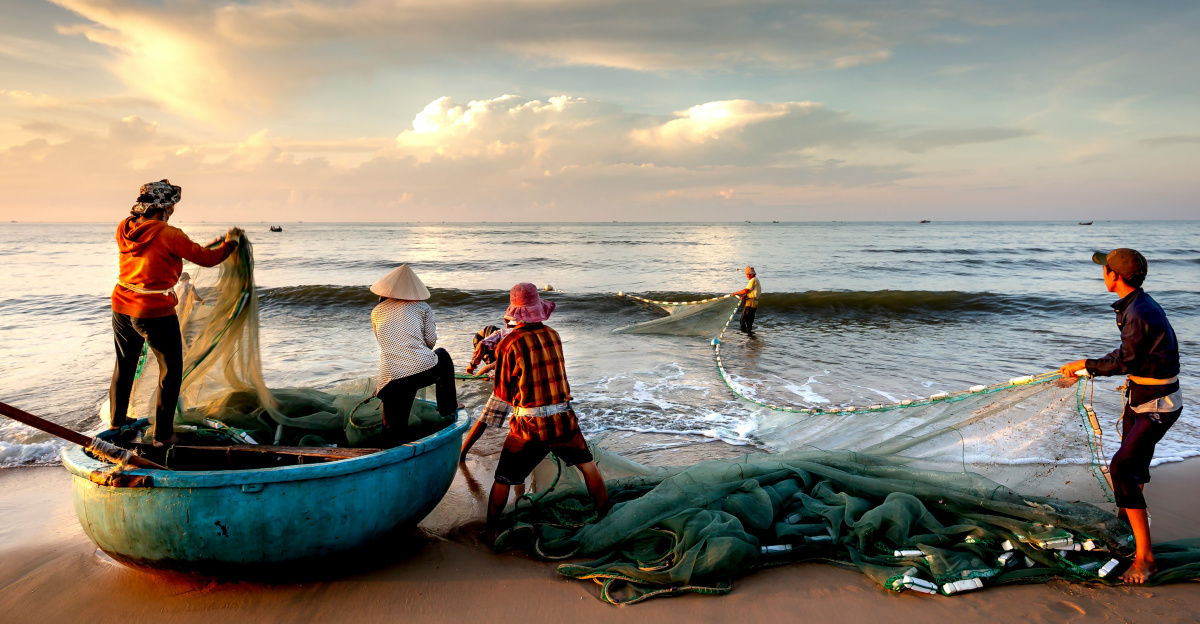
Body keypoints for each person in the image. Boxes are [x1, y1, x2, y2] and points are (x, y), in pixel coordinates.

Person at [1058, 248, 1181, 584]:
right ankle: (1126, 531)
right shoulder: (1134, 304)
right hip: (1139, 397)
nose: (1103, 273)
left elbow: (1126, 359)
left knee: (1122, 467)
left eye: (1106, 268)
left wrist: (1087, 365)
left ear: (1115, 277)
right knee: (1134, 467)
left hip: (1158, 405)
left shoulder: (1139, 311)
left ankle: (1146, 558)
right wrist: (1088, 367)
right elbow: (1135, 357)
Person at [110, 179, 242, 445]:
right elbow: (206, 259)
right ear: (164, 208)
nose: (172, 211)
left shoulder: (125, 227)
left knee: (125, 364)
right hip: (153, 311)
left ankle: (117, 420)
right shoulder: (170, 234)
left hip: (122, 304)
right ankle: (163, 435)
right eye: (171, 206)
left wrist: (202, 246)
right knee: (170, 370)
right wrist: (230, 244)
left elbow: (159, 254)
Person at [481, 283, 609, 539]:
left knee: (503, 478)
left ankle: (490, 532)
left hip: (530, 427)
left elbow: (504, 393)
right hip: (564, 420)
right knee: (588, 467)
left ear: (514, 312)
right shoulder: (553, 334)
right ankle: (607, 518)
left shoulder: (509, 343)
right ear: (538, 309)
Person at [371, 264, 460, 447]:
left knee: (393, 428)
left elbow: (383, 342)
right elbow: (431, 341)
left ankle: (389, 457)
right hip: (421, 370)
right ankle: (448, 407)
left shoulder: (376, 311)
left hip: (389, 380)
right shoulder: (422, 306)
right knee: (442, 355)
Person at [732, 266, 762, 332]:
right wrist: (745, 296)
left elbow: (746, 290)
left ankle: (743, 333)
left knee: (743, 319)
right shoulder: (756, 280)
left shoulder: (753, 280)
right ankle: (749, 334)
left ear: (751, 274)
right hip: (755, 302)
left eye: (746, 274)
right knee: (750, 320)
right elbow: (752, 291)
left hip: (751, 302)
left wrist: (736, 293)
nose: (746, 276)